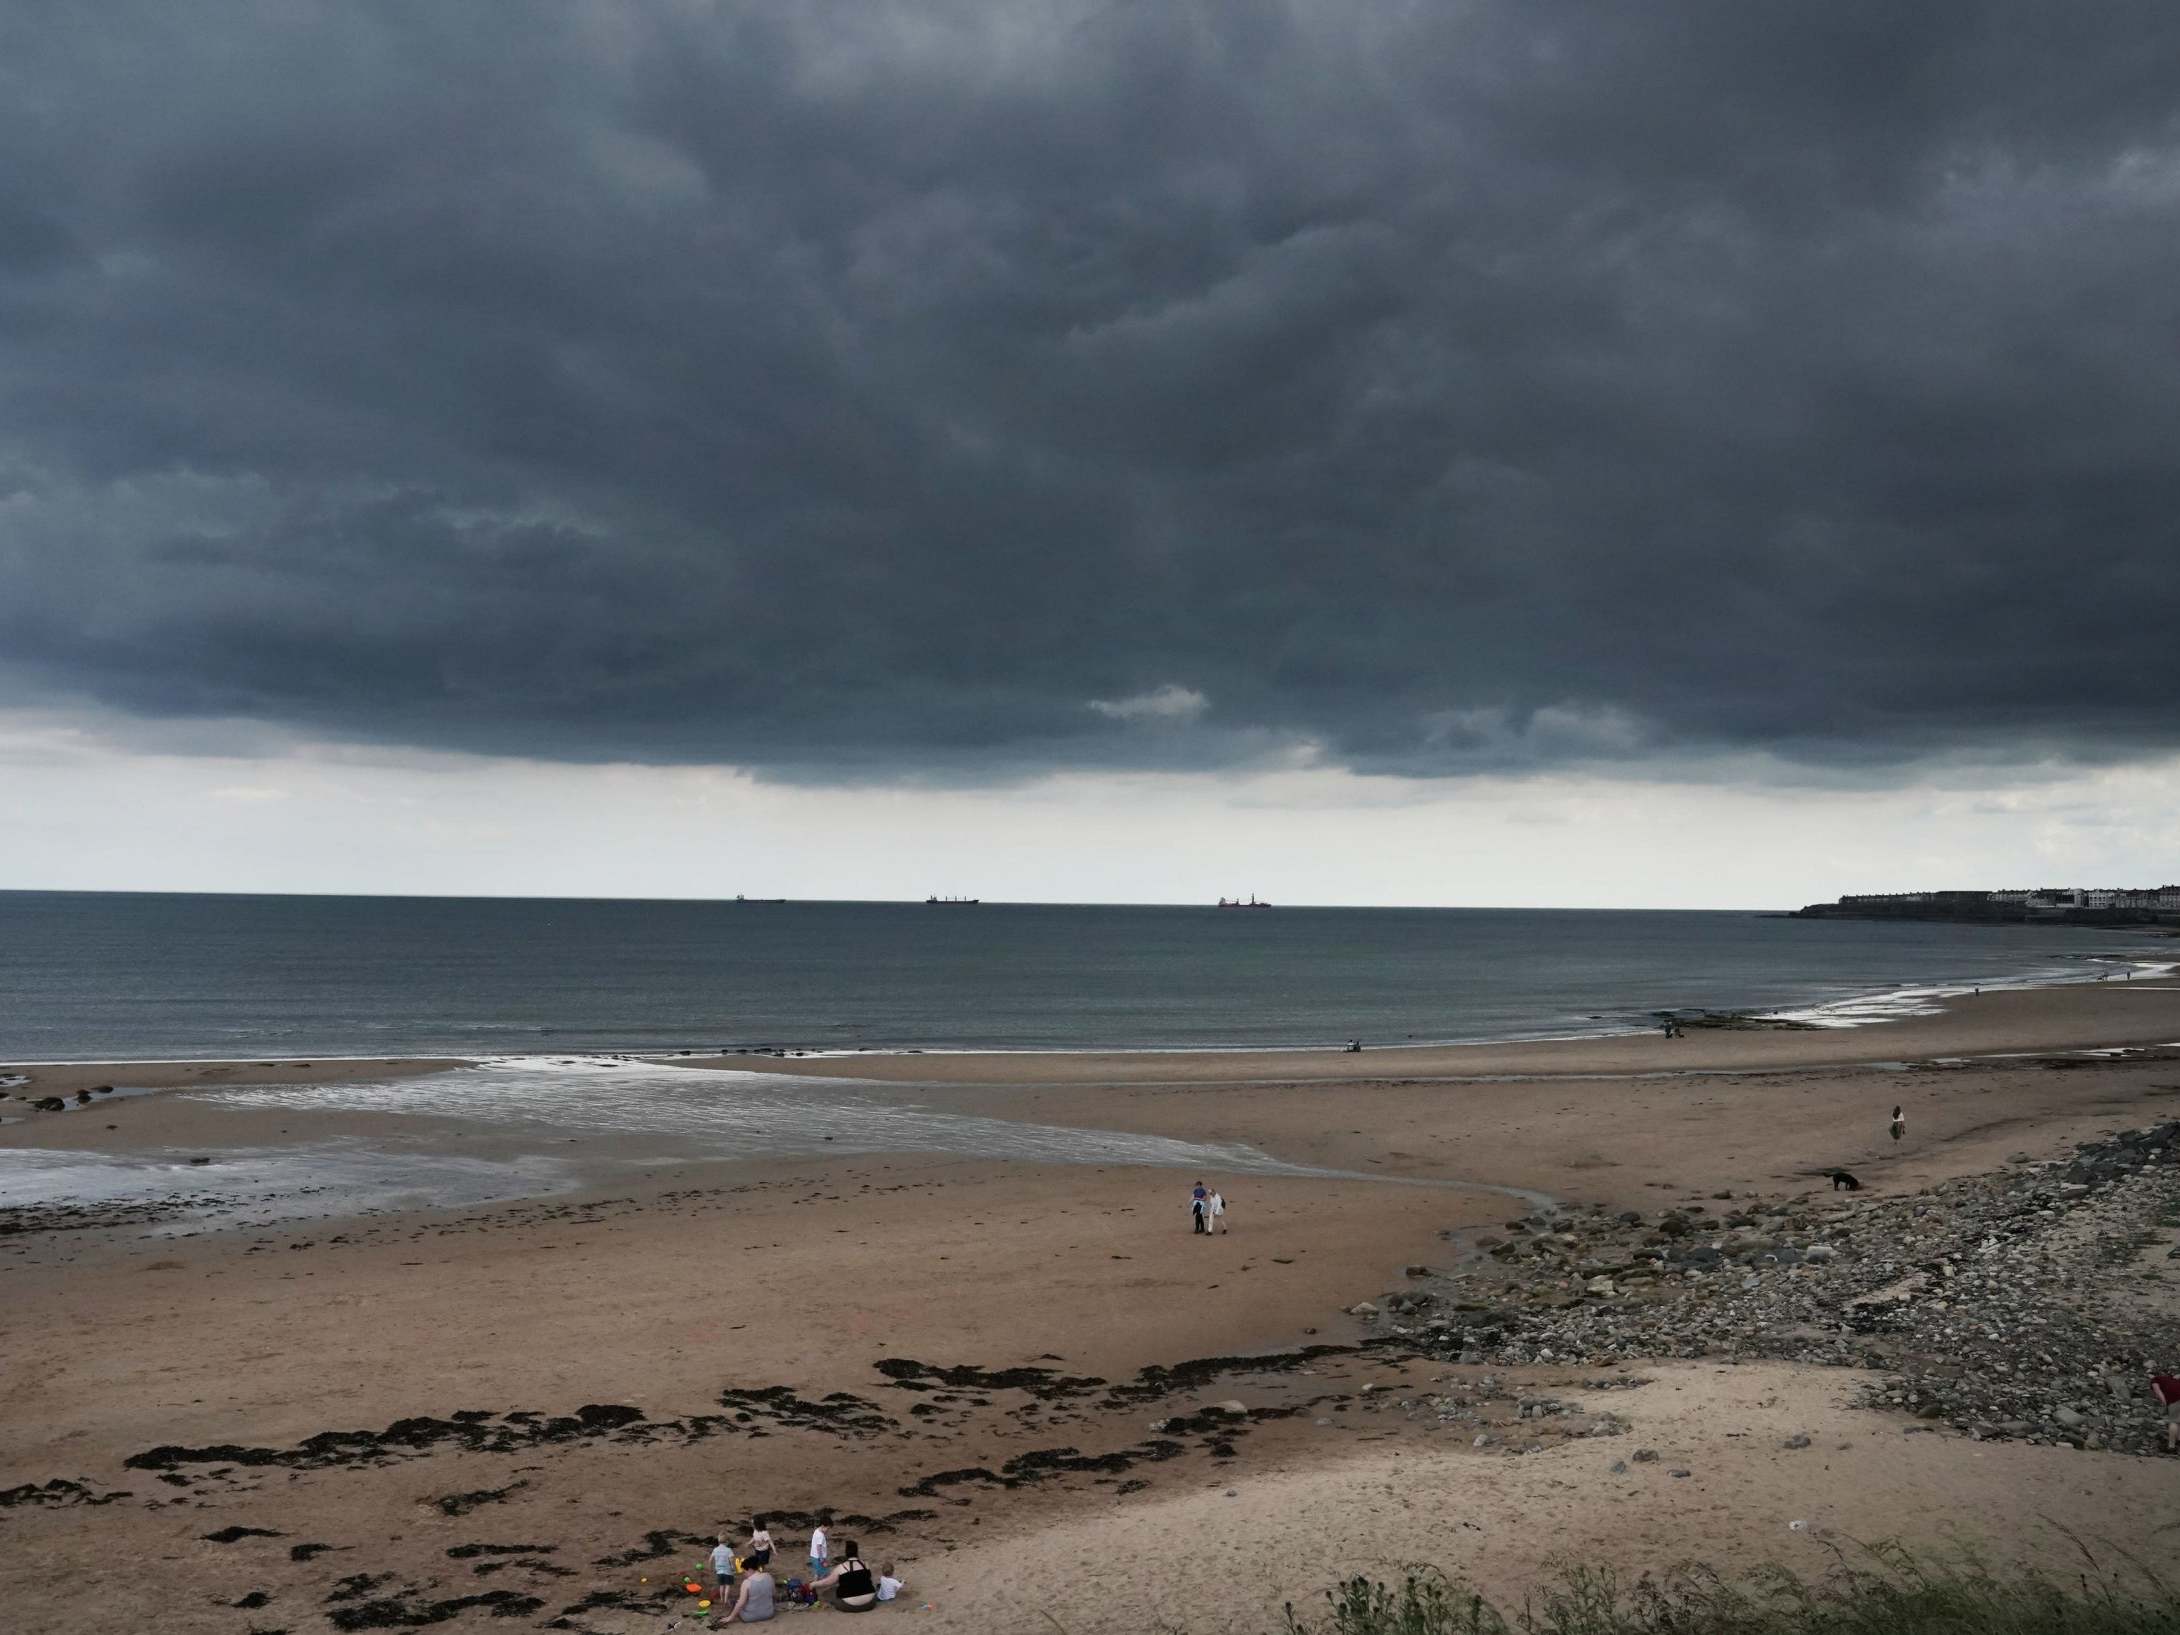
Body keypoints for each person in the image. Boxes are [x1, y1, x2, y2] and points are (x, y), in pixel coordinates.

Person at [811, 1539, 880, 1611]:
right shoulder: (866, 1564)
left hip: (849, 1605)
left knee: (830, 1592)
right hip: (870, 1604)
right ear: (857, 1552)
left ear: (846, 1553)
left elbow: (826, 1582)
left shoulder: (841, 1567)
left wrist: (813, 1584)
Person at [2153, 1371, 2180, 1453]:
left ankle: (2171, 1447)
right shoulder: (2172, 1379)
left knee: (2173, 1421)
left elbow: (2158, 1392)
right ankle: (2179, 1440)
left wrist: (2165, 1403)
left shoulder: (2155, 1380)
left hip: (2175, 1397)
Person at [708, 1533, 736, 1606]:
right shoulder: (728, 1550)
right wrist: (733, 1567)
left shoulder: (715, 1549)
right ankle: (726, 1600)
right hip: (728, 1571)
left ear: (718, 1541)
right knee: (728, 1586)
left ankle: (721, 1599)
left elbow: (710, 1560)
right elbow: (732, 1560)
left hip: (719, 1571)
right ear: (727, 1541)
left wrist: (711, 1568)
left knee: (721, 1586)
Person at [807, 1514, 830, 1583]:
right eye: (828, 1528)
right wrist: (822, 1560)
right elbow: (818, 1547)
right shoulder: (821, 1535)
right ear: (823, 1526)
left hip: (813, 1556)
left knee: (817, 1573)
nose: (828, 1530)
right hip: (818, 1558)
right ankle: (818, 1586)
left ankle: (814, 1585)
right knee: (824, 1573)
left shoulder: (816, 1531)